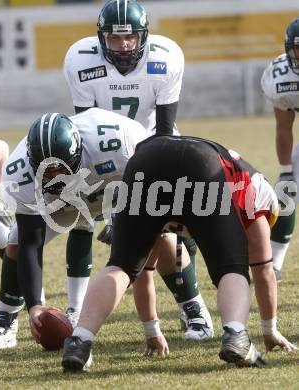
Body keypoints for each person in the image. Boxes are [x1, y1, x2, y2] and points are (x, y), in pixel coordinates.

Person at [61, 134, 298, 371]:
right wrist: (270, 330)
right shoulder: (259, 197)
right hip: (201, 165)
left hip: (146, 160)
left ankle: (80, 340)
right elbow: (264, 270)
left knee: (122, 266)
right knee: (232, 268)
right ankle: (236, 335)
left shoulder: (242, 182)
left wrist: (152, 330)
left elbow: (144, 269)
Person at [0, 108, 194, 350]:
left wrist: (119, 219)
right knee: (16, 242)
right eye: (46, 171)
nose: (55, 177)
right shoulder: (19, 174)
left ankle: (193, 310)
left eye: (61, 168)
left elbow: (150, 186)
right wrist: (35, 306)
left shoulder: (120, 142)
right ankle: (4, 323)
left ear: (77, 151)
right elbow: (31, 243)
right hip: (60, 203)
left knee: (161, 234)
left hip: (111, 188)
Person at [63, 0, 213, 340]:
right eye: (115, 39)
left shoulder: (165, 56)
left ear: (143, 34)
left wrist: (137, 192)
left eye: (130, 37)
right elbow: (87, 124)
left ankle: (194, 309)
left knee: (163, 230)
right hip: (103, 149)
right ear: (101, 38)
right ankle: (76, 308)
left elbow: (163, 129)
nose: (124, 45)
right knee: (81, 212)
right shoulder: (80, 59)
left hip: (156, 144)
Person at [261, 16, 299, 281]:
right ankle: (274, 261)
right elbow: (284, 127)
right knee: (286, 191)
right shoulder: (280, 77)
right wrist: (286, 170)